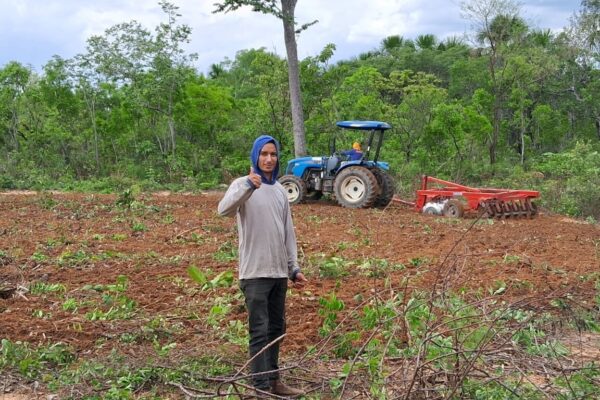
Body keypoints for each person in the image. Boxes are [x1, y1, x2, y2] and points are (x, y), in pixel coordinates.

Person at [217, 134, 308, 396]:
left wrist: (294, 268)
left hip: (279, 272)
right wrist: (248, 185)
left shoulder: (280, 191)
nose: (268, 159)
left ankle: (274, 380)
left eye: (273, 154)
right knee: (259, 331)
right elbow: (223, 210)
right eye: (263, 154)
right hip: (255, 272)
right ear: (255, 156)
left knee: (276, 329)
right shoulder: (242, 186)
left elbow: (287, 232)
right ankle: (260, 387)